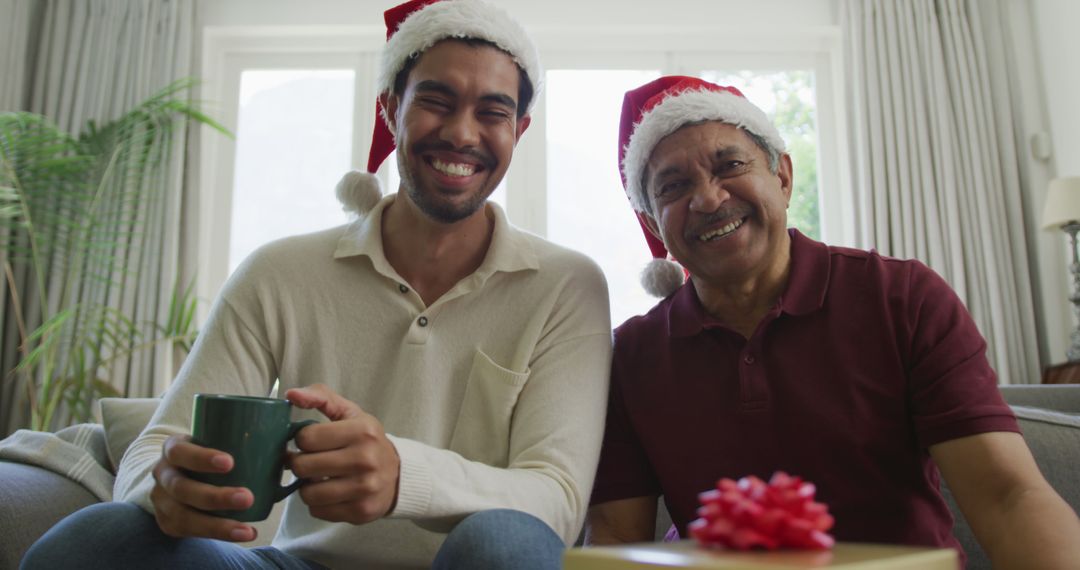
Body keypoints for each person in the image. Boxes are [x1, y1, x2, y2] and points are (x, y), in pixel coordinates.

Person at [21, 1, 612, 568]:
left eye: (492, 112)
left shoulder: (567, 286)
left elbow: (556, 501)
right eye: (435, 100)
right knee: (103, 536)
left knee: (505, 543)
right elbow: (154, 450)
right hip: (301, 565)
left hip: (469, 564)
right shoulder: (279, 272)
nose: (462, 133)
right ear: (389, 109)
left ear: (520, 129)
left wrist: (404, 475)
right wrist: (166, 490)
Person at [585, 75, 1080, 568]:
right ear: (653, 222)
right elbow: (615, 536)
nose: (709, 199)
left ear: (781, 176)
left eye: (730, 165)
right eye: (674, 186)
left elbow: (1008, 497)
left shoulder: (901, 298)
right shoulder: (632, 354)